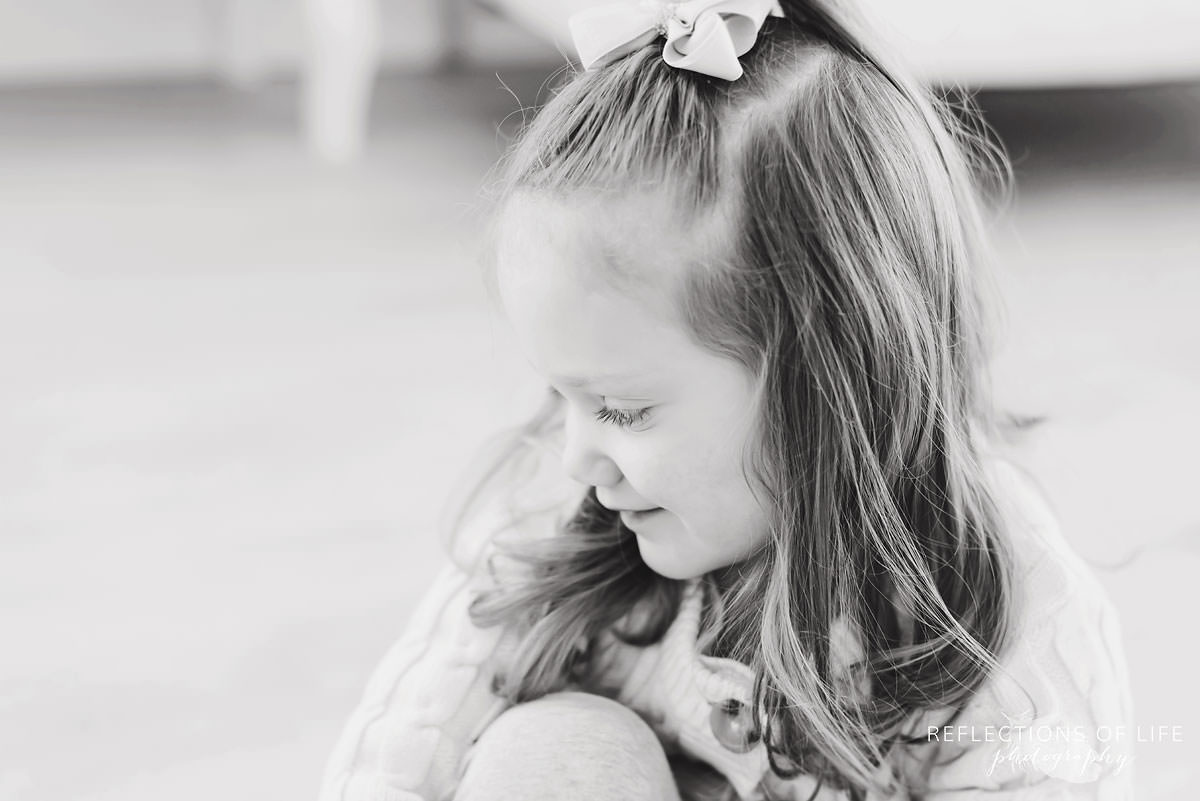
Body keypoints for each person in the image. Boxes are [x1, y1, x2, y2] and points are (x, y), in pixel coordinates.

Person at [317, 0, 1136, 798]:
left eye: (623, 409)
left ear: (827, 384)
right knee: (558, 745)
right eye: (560, 395)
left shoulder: (1011, 624)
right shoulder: (557, 512)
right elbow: (403, 754)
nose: (575, 453)